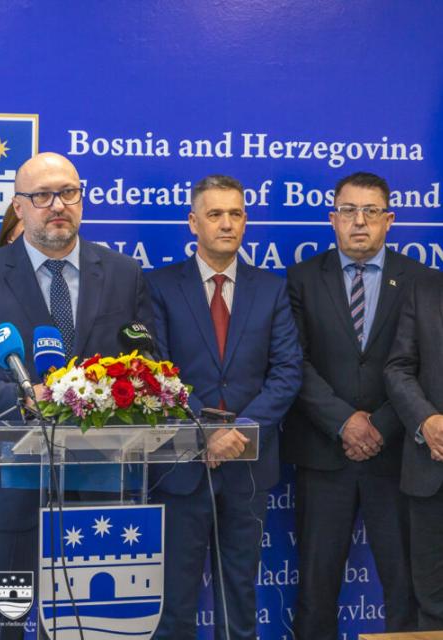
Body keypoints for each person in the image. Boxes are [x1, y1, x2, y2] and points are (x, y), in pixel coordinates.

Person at [0, 151, 155, 640]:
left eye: (68, 192)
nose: (58, 204)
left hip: (99, 489)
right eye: (42, 195)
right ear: (19, 206)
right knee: (1, 627)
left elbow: (147, 368)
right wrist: (23, 398)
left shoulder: (123, 273)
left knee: (91, 630)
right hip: (9, 490)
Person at [146, 174, 302, 640]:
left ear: (246, 221)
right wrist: (206, 433)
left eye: (236, 214)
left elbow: (287, 371)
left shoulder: (270, 289)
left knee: (240, 601)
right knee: (175, 604)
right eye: (215, 214)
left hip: (246, 468)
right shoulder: (158, 286)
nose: (227, 224)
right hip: (180, 467)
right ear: (193, 223)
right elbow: (156, 372)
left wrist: (240, 433)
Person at [284, 172, 421, 639]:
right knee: (316, 591)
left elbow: (426, 367)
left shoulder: (423, 281)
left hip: (397, 457)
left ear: (389, 220)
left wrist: (381, 425)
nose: (359, 221)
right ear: (332, 218)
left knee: (405, 590)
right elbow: (293, 362)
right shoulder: (302, 279)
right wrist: (344, 422)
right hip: (324, 455)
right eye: (348, 211)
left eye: (370, 211)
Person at [385, 270, 443, 630]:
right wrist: (426, 420)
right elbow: (398, 369)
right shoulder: (424, 289)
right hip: (431, 476)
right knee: (432, 604)